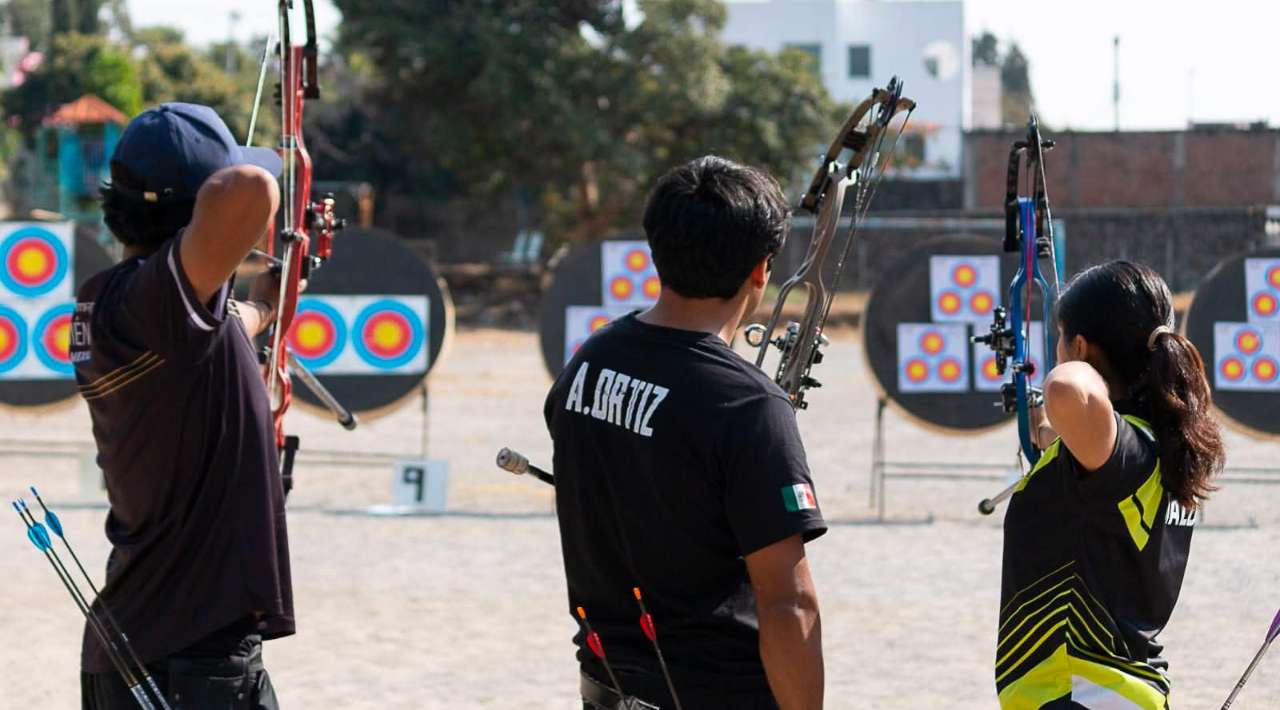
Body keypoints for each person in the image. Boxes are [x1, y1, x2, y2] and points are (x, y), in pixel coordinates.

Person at [544, 156, 827, 710]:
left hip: (607, 691)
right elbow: (788, 605)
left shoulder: (589, 362)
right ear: (761, 269)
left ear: (656, 250)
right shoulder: (748, 406)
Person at [72, 102, 294, 709]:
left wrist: (267, 305)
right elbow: (252, 188)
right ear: (194, 211)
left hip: (151, 648)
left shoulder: (115, 302)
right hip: (187, 661)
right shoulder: (152, 303)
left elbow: (226, 324)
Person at [995, 261, 1225, 709]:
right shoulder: (1158, 449)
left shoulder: (1125, 456)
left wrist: (1074, 370)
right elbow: (1077, 449)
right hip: (1109, 693)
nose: (1057, 351)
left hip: (1081, 692)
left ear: (1081, 346)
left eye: (1061, 337)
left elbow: (1068, 393)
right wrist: (1044, 424)